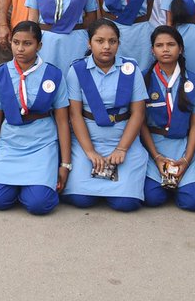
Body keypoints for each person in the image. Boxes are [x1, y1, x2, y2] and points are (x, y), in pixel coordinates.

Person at [0, 21, 70, 214]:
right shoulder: (1, 74)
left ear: (39, 46)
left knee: (39, 204)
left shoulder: (53, 74)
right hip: (10, 145)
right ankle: (22, 186)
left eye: (27, 43)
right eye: (15, 42)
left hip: (42, 144)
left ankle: (31, 187)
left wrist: (65, 164)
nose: (20, 49)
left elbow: (62, 121)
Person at [63, 18, 148, 211]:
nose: (106, 47)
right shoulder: (77, 70)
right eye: (99, 41)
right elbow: (75, 115)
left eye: (112, 41)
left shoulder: (130, 69)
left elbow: (138, 113)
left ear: (119, 43)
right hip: (88, 142)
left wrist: (122, 149)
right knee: (80, 199)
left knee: (126, 203)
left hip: (123, 140)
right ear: (89, 43)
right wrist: (90, 152)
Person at [139, 26, 195, 210]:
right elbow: (141, 123)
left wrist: (186, 159)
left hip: (183, 145)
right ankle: (166, 183)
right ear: (152, 51)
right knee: (151, 198)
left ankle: (180, 183)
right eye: (159, 45)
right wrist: (156, 156)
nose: (165, 49)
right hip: (154, 146)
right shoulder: (142, 78)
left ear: (181, 48)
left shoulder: (193, 80)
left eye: (171, 44)